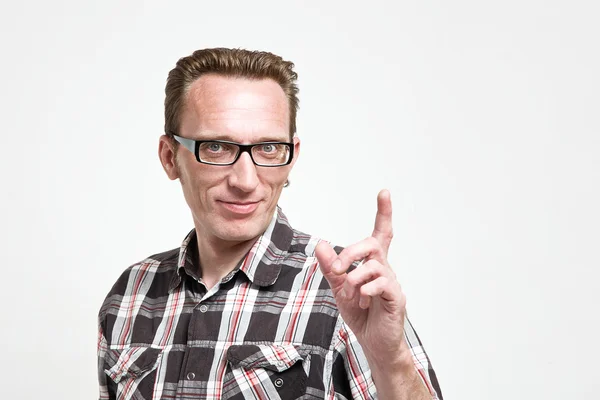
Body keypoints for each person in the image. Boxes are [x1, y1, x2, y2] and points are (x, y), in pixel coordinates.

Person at [97, 47, 443, 400]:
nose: (246, 181)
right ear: (171, 158)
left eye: (268, 149)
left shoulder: (347, 292)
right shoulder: (129, 295)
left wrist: (392, 361)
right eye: (216, 147)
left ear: (291, 156)